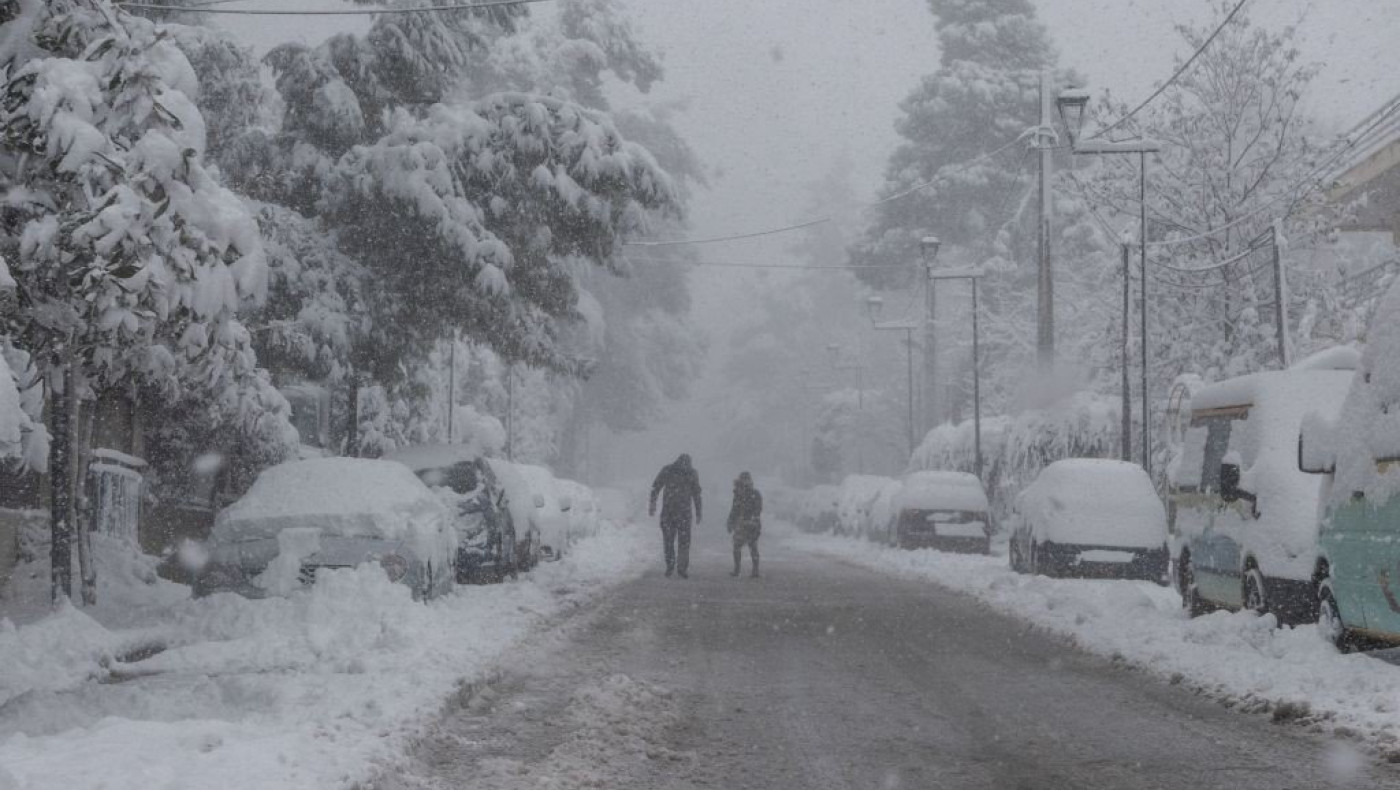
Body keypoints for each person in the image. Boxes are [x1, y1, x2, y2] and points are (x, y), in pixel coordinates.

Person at [649, 453, 702, 578]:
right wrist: (698, 511)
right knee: (682, 542)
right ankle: (680, 568)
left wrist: (653, 504)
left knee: (669, 541)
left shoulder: (669, 470)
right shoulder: (690, 473)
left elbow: (656, 487)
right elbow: (696, 494)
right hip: (682, 513)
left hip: (670, 512)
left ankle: (672, 566)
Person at [727, 472, 762, 578]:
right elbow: (735, 509)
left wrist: (731, 521)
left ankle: (741, 570)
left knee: (744, 546)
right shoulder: (745, 493)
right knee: (749, 546)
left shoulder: (745, 493)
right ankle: (751, 570)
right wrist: (730, 521)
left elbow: (757, 509)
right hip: (746, 523)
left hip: (747, 523)